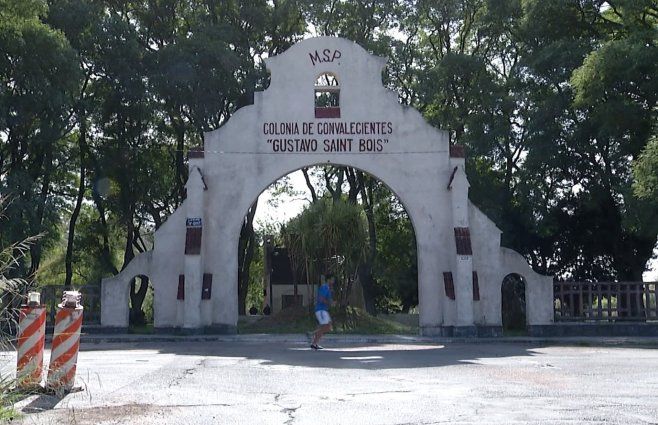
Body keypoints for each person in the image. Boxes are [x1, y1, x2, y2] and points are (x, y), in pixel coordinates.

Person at [311, 273, 335, 350]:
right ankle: (314, 335)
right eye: (332, 279)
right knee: (326, 326)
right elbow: (321, 298)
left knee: (327, 326)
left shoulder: (327, 288)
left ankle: (314, 343)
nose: (333, 281)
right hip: (321, 310)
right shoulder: (324, 287)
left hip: (323, 310)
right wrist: (330, 303)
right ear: (328, 280)